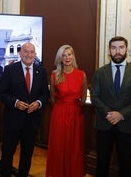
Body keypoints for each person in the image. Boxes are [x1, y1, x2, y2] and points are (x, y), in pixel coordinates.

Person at [90, 36, 131, 177]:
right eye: (114, 48)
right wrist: (109, 113)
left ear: (126, 49)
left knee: (126, 164)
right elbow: (94, 96)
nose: (117, 51)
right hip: (104, 124)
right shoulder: (100, 72)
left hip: (127, 125)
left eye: (120, 47)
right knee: (102, 163)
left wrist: (121, 114)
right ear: (109, 50)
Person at [0, 42, 50, 177]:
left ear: (35, 55)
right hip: (12, 120)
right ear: (20, 53)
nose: (28, 54)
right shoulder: (10, 70)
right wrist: (15, 103)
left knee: (27, 154)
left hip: (31, 121)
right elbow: (2, 93)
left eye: (32, 52)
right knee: (8, 153)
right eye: (25, 51)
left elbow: (45, 94)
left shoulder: (41, 71)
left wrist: (38, 103)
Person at [46, 45, 88, 177]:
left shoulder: (82, 74)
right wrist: (63, 108)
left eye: (69, 54)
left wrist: (74, 108)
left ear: (73, 56)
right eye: (63, 55)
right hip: (59, 114)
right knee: (59, 147)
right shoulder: (54, 75)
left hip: (76, 115)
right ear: (60, 58)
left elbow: (83, 97)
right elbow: (52, 98)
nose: (67, 58)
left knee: (74, 148)